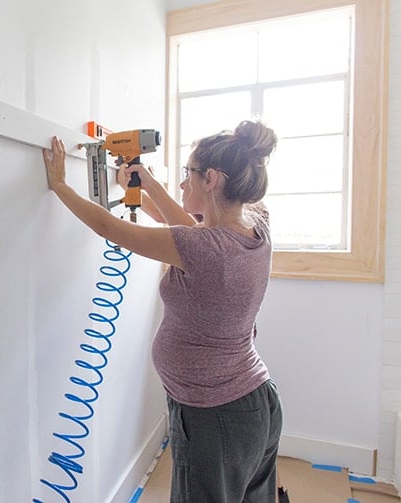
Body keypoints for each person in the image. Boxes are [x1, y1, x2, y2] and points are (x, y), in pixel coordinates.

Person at [43, 120, 283, 502]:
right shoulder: (257, 226)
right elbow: (189, 227)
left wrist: (59, 186)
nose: (183, 181)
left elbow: (110, 227)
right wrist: (147, 185)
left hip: (214, 414)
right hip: (254, 405)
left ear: (212, 180)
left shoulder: (203, 248)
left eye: (189, 172)